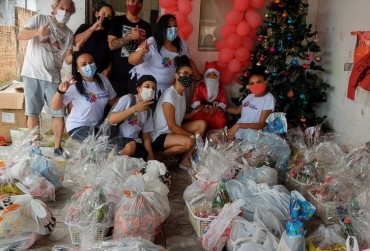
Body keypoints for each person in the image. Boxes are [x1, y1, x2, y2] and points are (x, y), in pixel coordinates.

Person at [18, 0, 75, 156]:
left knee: (59, 113)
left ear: (71, 14)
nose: (65, 11)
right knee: (33, 113)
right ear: (55, 8)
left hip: (54, 77)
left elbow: (68, 58)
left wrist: (76, 53)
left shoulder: (69, 34)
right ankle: (35, 148)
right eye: (62, 8)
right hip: (32, 74)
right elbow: (20, 34)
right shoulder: (40, 19)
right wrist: (37, 32)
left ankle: (57, 147)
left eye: (68, 10)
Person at [151, 55, 207, 169]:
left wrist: (192, 114)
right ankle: (159, 155)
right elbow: (172, 126)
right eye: (185, 73)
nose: (189, 77)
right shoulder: (169, 97)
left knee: (202, 124)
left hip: (173, 130)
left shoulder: (182, 92)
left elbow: (178, 116)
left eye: (191, 75)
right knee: (189, 142)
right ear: (176, 76)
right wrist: (191, 136)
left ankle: (185, 160)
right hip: (161, 135)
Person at [128, 14, 202, 96]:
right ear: (161, 28)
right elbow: (132, 61)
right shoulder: (152, 42)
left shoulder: (181, 43)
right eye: (169, 27)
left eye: (175, 26)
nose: (173, 29)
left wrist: (199, 80)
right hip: (145, 86)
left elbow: (188, 61)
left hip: (165, 88)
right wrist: (141, 51)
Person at [51, 52, 117, 141]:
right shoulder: (74, 85)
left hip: (95, 127)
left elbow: (112, 101)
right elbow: (56, 107)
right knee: (99, 143)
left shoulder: (103, 79)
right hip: (78, 127)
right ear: (77, 69)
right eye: (83, 64)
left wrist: (131, 100)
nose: (88, 66)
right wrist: (60, 92)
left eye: (91, 62)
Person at [107, 0, 152, 97]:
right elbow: (112, 45)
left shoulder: (147, 26)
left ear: (142, 5)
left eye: (139, 2)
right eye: (132, 1)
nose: (135, 5)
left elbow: (149, 52)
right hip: (118, 77)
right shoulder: (117, 21)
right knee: (117, 108)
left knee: (136, 109)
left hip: (139, 77)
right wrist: (130, 36)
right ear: (127, 2)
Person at [108, 75, 156, 160]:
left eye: (153, 88)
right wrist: (134, 109)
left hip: (135, 142)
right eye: (147, 87)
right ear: (138, 88)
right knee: (131, 147)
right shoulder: (129, 99)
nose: (150, 90)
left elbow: (146, 136)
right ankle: (110, 162)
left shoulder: (148, 111)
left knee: (147, 161)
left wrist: (150, 154)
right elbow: (111, 119)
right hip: (118, 139)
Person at [226, 66, 276, 141]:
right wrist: (222, 108)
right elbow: (237, 111)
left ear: (265, 83)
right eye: (251, 83)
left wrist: (238, 125)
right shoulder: (250, 96)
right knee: (212, 137)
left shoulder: (268, 98)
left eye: (259, 82)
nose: (255, 85)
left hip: (251, 138)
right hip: (237, 132)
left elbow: (261, 125)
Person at [74, 1, 115, 77]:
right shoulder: (85, 27)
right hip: (84, 73)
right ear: (96, 14)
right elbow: (75, 42)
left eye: (109, 16)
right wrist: (93, 28)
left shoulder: (111, 34)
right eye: (103, 14)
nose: (105, 17)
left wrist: (109, 69)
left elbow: (112, 56)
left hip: (102, 75)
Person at [189, 61, 227, 130]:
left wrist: (215, 109)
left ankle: (216, 138)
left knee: (220, 121)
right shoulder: (200, 87)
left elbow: (223, 103)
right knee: (196, 118)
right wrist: (203, 109)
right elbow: (195, 100)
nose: (211, 78)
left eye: (214, 75)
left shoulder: (221, 89)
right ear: (205, 77)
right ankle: (199, 137)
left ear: (218, 77)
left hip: (215, 110)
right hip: (202, 109)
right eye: (209, 75)